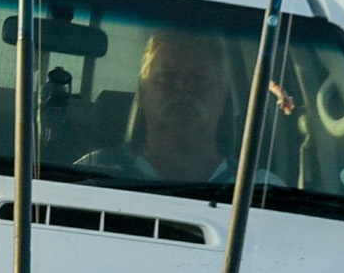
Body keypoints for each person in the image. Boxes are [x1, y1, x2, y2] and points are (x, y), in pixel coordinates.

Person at [76, 26, 237, 186]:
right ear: (143, 93)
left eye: (200, 78)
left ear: (222, 99)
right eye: (167, 76)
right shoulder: (90, 174)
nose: (183, 87)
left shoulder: (249, 188)